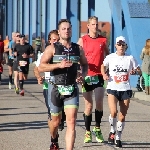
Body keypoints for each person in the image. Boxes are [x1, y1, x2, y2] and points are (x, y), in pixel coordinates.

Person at [38, 19, 88, 150]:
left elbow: (85, 64)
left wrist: (82, 74)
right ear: (59, 32)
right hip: (55, 88)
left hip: (72, 88)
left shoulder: (78, 49)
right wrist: (58, 65)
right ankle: (54, 139)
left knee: (71, 122)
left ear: (72, 30)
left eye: (69, 29)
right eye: (64, 29)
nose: (67, 31)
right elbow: (41, 67)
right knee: (56, 122)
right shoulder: (52, 48)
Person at [101, 36, 141, 148]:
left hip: (125, 89)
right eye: (119, 44)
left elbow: (139, 70)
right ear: (115, 46)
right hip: (112, 87)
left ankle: (118, 137)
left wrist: (135, 71)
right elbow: (102, 66)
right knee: (113, 112)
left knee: (122, 116)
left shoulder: (130, 58)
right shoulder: (110, 57)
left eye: (123, 45)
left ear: (126, 46)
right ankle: (112, 130)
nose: (121, 46)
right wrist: (104, 74)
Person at [77, 16, 110, 143]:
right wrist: (78, 71)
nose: (95, 27)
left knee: (100, 102)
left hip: (99, 75)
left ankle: (97, 128)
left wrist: (107, 68)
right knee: (88, 105)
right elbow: (75, 54)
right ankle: (87, 132)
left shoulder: (103, 40)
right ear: (88, 26)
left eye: (97, 24)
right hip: (87, 75)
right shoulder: (83, 40)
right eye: (93, 24)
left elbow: (108, 55)